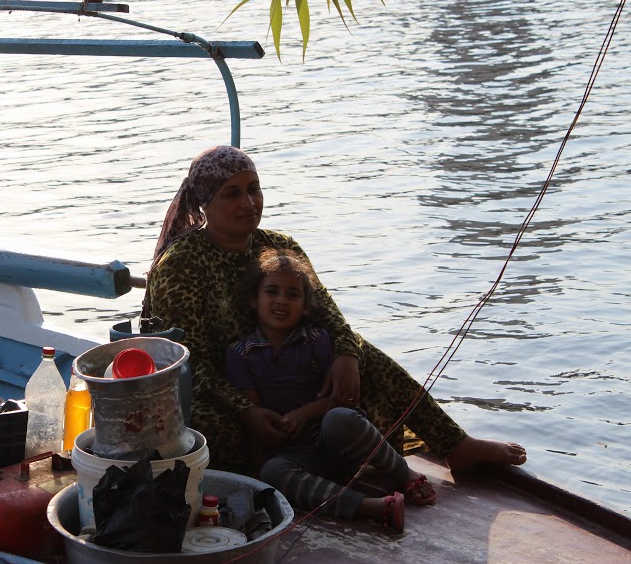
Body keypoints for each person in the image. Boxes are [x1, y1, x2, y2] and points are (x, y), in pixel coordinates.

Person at [142, 144, 526, 474]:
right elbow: (187, 362)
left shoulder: (278, 246)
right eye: (232, 194)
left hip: (292, 375)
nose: (248, 203)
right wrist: (246, 410)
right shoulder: (181, 265)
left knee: (359, 353)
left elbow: (326, 312)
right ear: (205, 201)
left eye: (254, 189)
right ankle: (309, 460)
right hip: (223, 391)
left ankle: (454, 445)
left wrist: (345, 355)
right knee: (209, 438)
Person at [225, 247, 436, 531]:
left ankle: (404, 473)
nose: (281, 301)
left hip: (334, 440)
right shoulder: (240, 354)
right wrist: (263, 464)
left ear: (306, 305)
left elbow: (340, 400)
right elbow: (254, 413)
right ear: (253, 299)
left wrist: (305, 413)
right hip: (296, 454)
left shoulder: (318, 341)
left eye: (293, 295)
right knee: (272, 471)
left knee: (342, 418)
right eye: (272, 291)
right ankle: (368, 506)